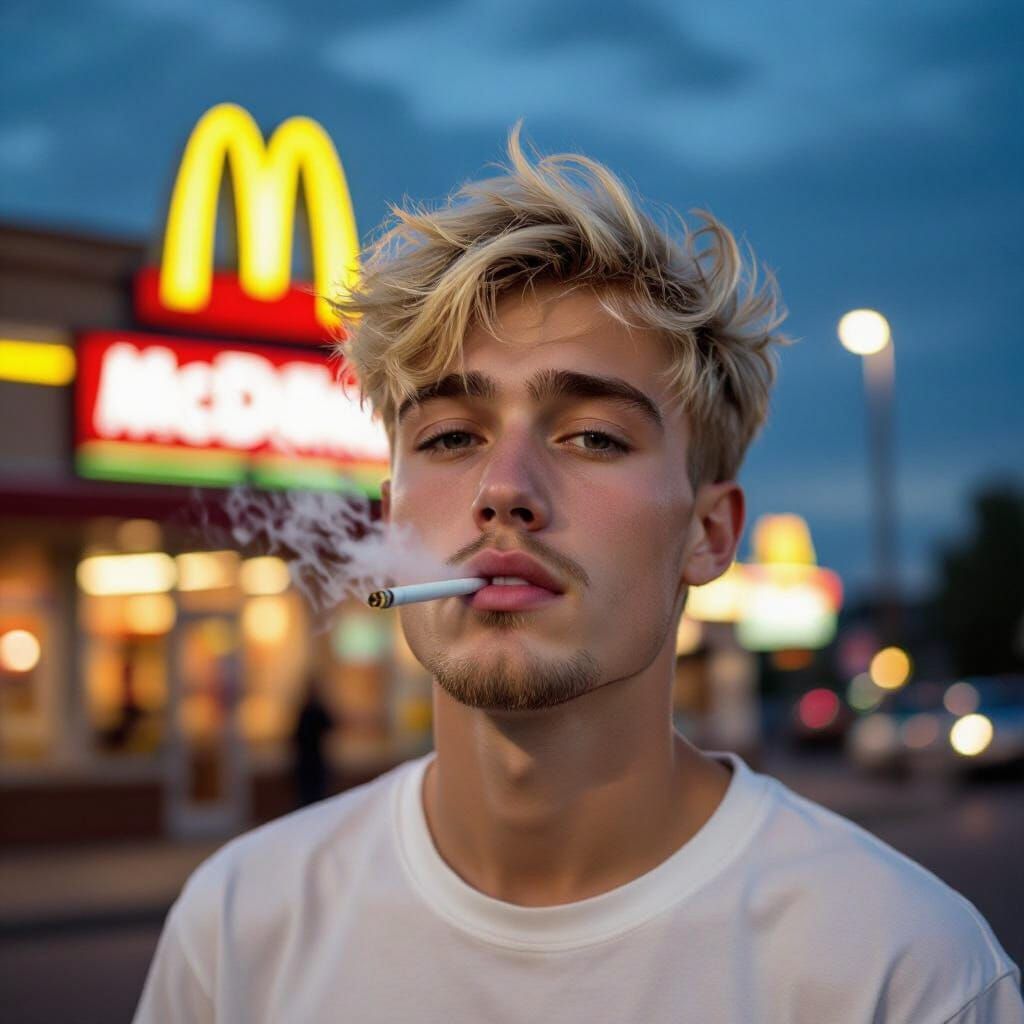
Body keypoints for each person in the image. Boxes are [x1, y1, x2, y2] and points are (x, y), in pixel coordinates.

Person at [134, 128, 1022, 1023]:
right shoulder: (237, 930)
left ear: (708, 533)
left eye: (593, 436)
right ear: (392, 515)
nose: (505, 490)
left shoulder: (901, 970)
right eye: (450, 438)